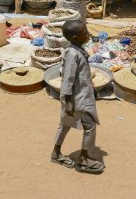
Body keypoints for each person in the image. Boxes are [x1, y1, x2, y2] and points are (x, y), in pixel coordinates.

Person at [50, 19, 105, 174]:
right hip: (78, 100)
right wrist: (68, 102)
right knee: (90, 126)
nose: (88, 35)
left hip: (80, 96)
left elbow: (82, 76)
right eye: (85, 33)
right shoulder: (72, 54)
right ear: (75, 38)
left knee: (65, 124)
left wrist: (92, 88)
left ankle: (56, 153)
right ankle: (84, 159)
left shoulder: (77, 50)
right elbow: (68, 78)